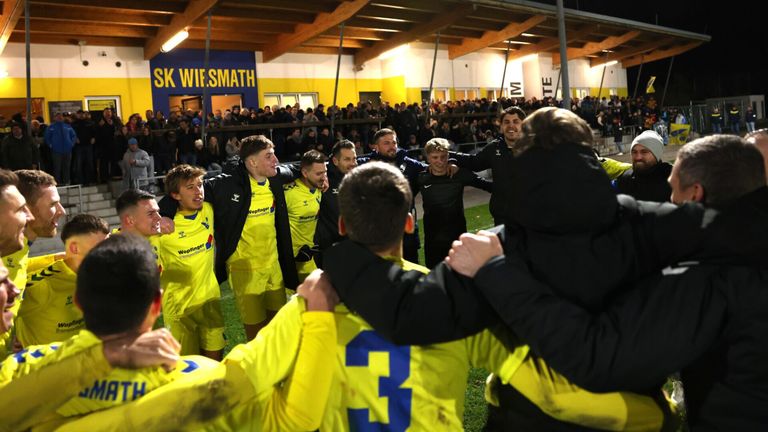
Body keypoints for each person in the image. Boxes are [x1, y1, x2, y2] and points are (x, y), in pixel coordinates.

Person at [449, 134, 768, 430]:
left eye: (674, 190)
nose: (670, 199)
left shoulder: (708, 277)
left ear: (696, 194)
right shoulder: (734, 246)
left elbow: (597, 357)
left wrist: (494, 269)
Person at [317, 162, 664, 431]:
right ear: (410, 223)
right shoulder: (449, 297)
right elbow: (542, 388)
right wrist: (647, 414)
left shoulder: (310, 305)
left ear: (343, 225)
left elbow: (271, 403)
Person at [159, 135, 299, 340]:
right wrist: (166, 212)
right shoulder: (227, 185)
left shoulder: (275, 177)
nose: (276, 160)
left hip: (274, 267)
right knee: (257, 335)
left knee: (279, 327)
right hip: (245, 270)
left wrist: (321, 176)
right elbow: (188, 188)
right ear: (252, 162)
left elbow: (298, 168)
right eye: (269, 156)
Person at [154, 165, 224, 360]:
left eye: (200, 185)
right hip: (179, 308)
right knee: (186, 368)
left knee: (214, 362)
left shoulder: (208, 210)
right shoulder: (163, 227)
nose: (198, 191)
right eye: (190, 187)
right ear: (176, 195)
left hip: (210, 300)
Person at [15, 214, 110, 347]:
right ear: (74, 248)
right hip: (45, 366)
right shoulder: (43, 285)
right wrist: (13, 342)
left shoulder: (105, 276)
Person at [356, 128, 430, 263]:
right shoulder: (366, 165)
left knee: (412, 268)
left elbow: (433, 169)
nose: (392, 146)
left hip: (406, 229)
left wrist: (452, 164)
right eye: (386, 143)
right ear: (376, 147)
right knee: (384, 272)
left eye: (394, 142)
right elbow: (340, 164)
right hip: (379, 232)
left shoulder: (409, 164)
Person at [419, 138, 492, 267]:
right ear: (428, 158)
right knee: (435, 279)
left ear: (449, 155)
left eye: (443, 157)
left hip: (457, 239)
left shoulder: (460, 174)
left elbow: (488, 186)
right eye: (435, 157)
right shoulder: (421, 178)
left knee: (460, 277)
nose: (440, 161)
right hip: (432, 241)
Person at [450, 106, 525, 225]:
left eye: (516, 122)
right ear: (501, 127)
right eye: (506, 122)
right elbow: (473, 163)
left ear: (524, 125)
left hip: (529, 217)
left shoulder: (534, 148)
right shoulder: (494, 148)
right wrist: (447, 154)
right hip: (502, 217)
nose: (511, 126)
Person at [284, 150, 327, 282]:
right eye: (319, 173)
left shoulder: (319, 187)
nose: (323, 177)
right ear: (304, 173)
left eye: (325, 172)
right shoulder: (288, 193)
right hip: (288, 260)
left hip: (307, 256)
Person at [315, 140, 357, 258]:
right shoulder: (322, 177)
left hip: (354, 243)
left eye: (354, 158)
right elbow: (302, 169)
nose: (353, 163)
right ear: (335, 161)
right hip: (330, 246)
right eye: (347, 159)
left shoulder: (357, 176)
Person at [614, 130, 672, 202]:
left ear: (657, 154)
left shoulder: (673, 179)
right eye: (634, 152)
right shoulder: (625, 179)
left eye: (644, 152)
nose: (638, 157)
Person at [45, 112, 77, 185]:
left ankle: (67, 181)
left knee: (67, 166)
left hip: (67, 150)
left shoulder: (68, 126)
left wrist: (71, 144)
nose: (59, 117)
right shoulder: (51, 127)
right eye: (57, 116)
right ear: (54, 118)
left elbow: (73, 135)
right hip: (56, 150)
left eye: (61, 116)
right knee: (57, 167)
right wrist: (51, 145)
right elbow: (47, 137)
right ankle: (57, 182)